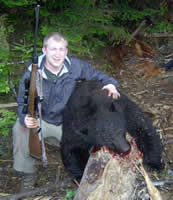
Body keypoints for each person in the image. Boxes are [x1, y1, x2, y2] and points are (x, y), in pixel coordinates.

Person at [12, 32, 120, 191]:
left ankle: (84, 175)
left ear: (66, 51)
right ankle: (28, 175)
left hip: (68, 121)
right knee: (20, 129)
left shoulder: (75, 66)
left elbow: (98, 75)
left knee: (91, 139)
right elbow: (22, 102)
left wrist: (110, 84)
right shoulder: (31, 74)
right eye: (53, 49)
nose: (57, 54)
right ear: (44, 50)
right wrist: (25, 117)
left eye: (61, 49)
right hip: (41, 120)